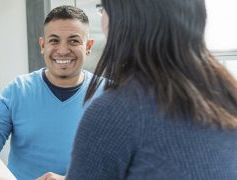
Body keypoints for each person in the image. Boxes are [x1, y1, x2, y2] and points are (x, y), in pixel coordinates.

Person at [63, 0, 237, 179]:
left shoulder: (116, 111)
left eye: (104, 9)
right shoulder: (227, 96)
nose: (103, 20)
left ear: (128, 18)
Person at [0, 5, 103, 180]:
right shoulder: (18, 90)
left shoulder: (110, 93)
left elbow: (123, 161)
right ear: (43, 45)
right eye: (54, 40)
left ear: (88, 46)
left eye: (74, 41)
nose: (62, 50)